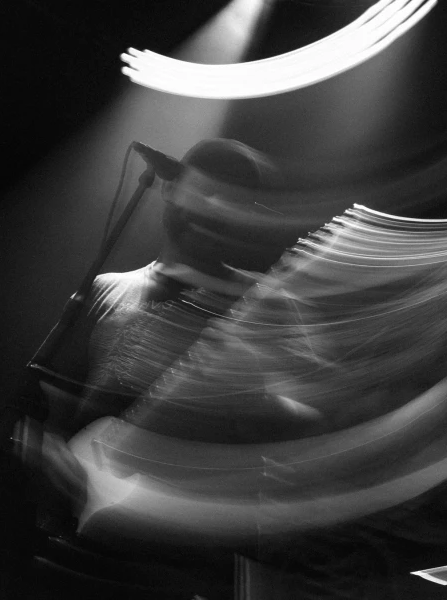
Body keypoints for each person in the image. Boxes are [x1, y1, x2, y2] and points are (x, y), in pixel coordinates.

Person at [32, 138, 280, 514]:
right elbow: (54, 409)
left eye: (233, 201)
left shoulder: (263, 303)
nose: (214, 207)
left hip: (195, 529)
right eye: (205, 191)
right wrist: (51, 453)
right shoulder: (106, 289)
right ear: (169, 188)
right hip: (82, 525)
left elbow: (288, 425)